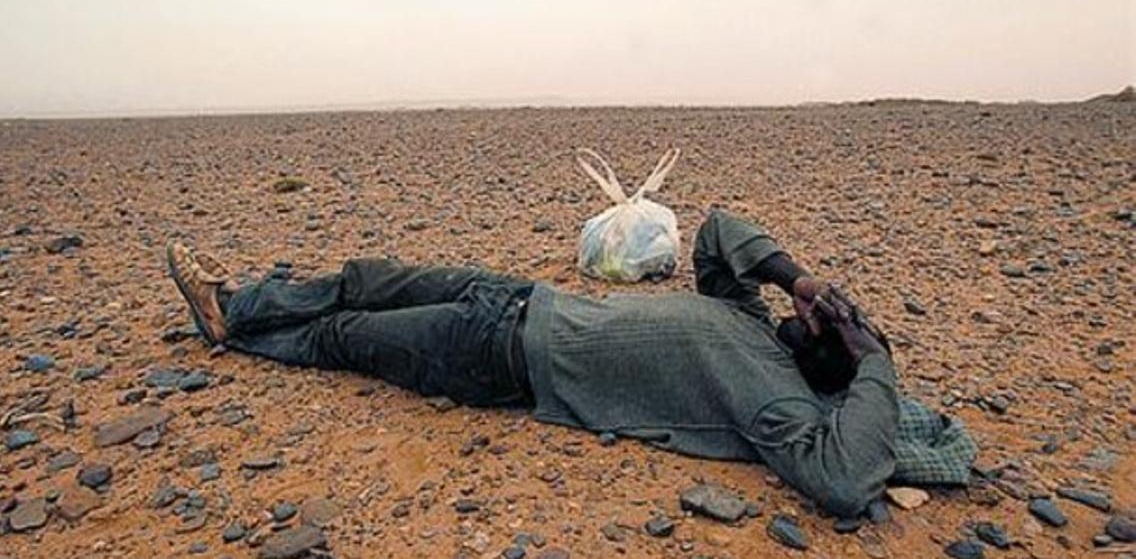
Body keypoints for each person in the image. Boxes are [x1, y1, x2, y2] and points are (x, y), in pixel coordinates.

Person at [167, 208, 974, 517]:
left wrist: (875, 361)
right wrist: (800, 279)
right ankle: (240, 300)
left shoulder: (774, 402)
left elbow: (841, 477)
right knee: (365, 280)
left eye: (827, 330)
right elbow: (720, 230)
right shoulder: (749, 318)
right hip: (518, 297)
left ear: (835, 370)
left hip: (503, 357)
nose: (811, 323)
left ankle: (229, 325)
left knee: (348, 337)